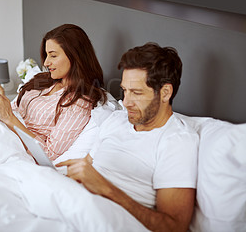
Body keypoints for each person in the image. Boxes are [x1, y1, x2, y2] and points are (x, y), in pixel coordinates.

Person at [57, 42, 199, 231]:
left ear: (165, 93)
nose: (126, 102)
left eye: (136, 92)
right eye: (125, 90)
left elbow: (174, 227)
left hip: (107, 220)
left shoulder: (176, 141)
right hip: (71, 202)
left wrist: (106, 189)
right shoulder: (116, 120)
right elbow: (87, 167)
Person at [0, 24, 107, 160]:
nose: (46, 62)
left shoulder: (78, 102)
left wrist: (9, 117)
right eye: (46, 55)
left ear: (75, 56)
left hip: (10, 147)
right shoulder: (43, 80)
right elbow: (14, 110)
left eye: (53, 56)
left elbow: (48, 154)